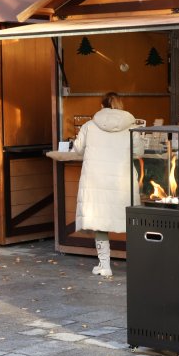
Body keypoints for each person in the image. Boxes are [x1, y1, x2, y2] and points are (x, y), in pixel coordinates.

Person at [74, 92, 138, 278]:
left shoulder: (89, 126)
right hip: (122, 181)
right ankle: (137, 264)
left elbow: (78, 149)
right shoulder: (131, 127)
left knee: (100, 223)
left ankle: (105, 265)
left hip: (96, 181)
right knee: (131, 221)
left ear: (102, 107)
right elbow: (139, 150)